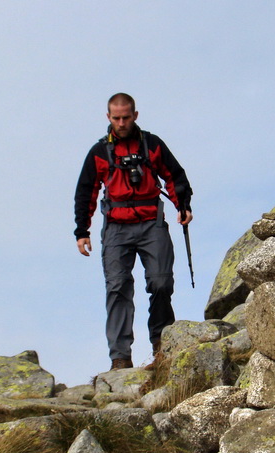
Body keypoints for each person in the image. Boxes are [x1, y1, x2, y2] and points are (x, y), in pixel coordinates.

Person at [74, 93, 193, 370]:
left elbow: (174, 175)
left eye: (126, 117)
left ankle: (162, 346)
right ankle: (120, 357)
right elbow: (85, 192)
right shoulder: (99, 152)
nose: (121, 122)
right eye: (116, 118)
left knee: (161, 283)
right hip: (116, 227)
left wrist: (182, 205)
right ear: (108, 118)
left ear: (135, 115)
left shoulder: (152, 144)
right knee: (117, 288)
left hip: (152, 222)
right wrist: (82, 230)